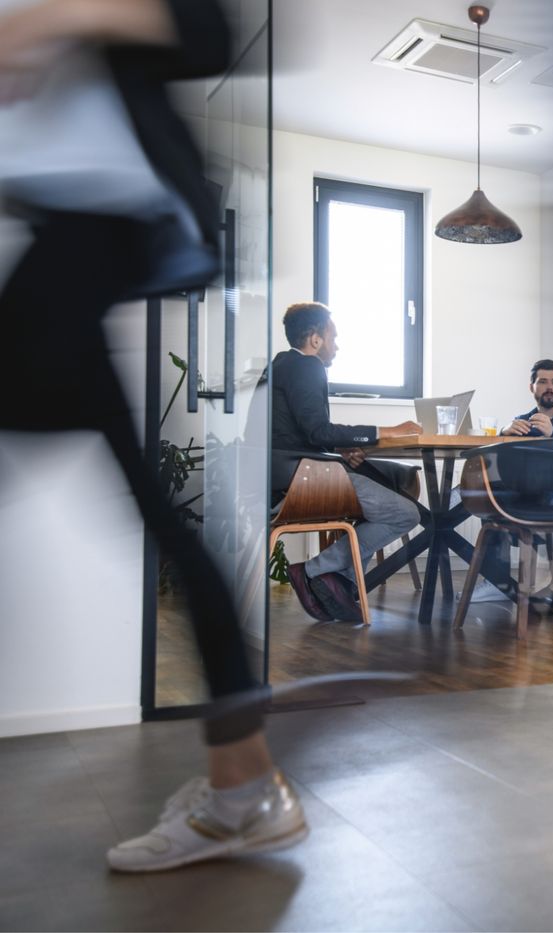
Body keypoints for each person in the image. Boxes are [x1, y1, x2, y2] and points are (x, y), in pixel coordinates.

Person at [0, 0, 305, 873]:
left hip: (96, 221)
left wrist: (49, 20)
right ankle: (242, 784)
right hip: (67, 225)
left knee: (152, 508)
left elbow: (207, 30)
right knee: (157, 509)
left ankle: (243, 788)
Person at [271, 301, 423, 622]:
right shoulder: (305, 366)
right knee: (406, 513)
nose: (336, 346)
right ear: (315, 339)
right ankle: (313, 570)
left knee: (385, 488)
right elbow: (317, 430)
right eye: (333, 337)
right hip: (306, 479)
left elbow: (296, 432)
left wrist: (338, 449)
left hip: (283, 475)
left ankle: (342, 584)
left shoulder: (278, 366)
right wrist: (389, 430)